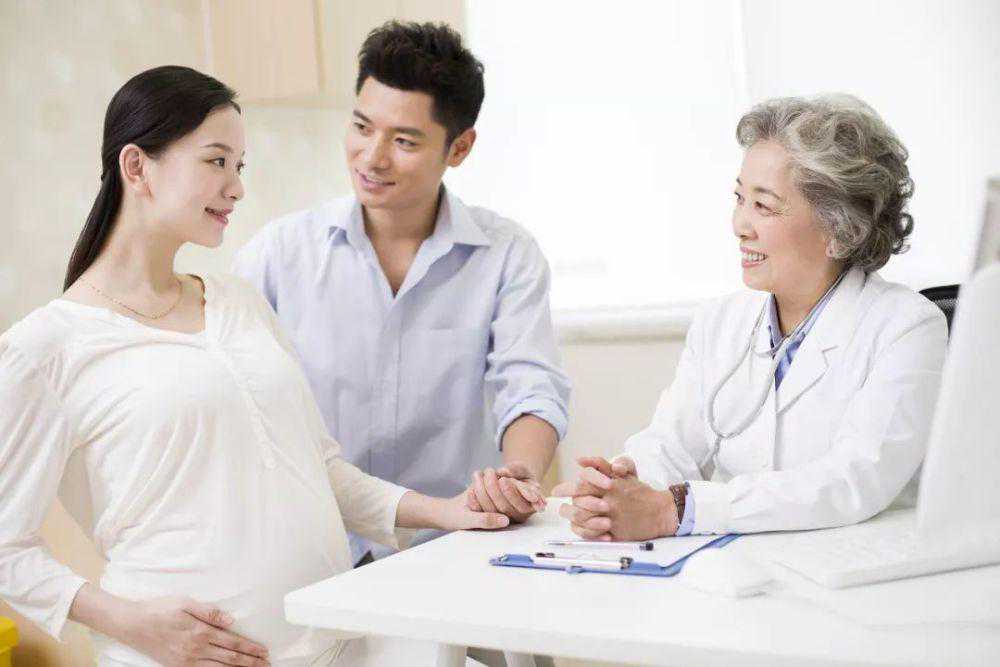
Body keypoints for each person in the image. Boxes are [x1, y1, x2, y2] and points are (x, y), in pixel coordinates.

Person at [0, 65, 510, 667]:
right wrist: (129, 621)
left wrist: (448, 511)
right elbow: (6, 548)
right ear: (137, 167)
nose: (237, 187)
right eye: (217, 161)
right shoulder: (46, 348)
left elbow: (321, 468)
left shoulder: (237, 302)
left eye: (239, 166)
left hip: (331, 641)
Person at [234, 21, 570, 564]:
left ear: (459, 148)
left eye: (404, 141)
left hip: (454, 544)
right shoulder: (279, 253)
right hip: (314, 546)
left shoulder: (507, 256)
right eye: (362, 127)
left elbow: (531, 387)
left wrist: (518, 477)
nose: (372, 157)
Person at [554, 94, 948, 540]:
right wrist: (616, 488)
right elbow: (669, 444)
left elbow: (853, 480)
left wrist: (678, 510)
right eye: (740, 198)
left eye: (764, 206)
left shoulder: (906, 327)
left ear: (841, 228)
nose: (739, 224)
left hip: (854, 565)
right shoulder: (720, 322)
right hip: (742, 565)